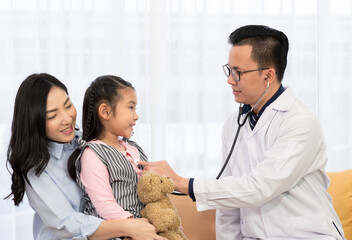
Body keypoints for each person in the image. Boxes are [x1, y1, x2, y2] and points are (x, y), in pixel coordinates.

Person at [140, 25, 345, 239]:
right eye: (229, 70)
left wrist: (182, 183)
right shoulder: (234, 124)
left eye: (238, 72)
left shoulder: (300, 123)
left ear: (268, 75)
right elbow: (230, 207)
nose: (230, 79)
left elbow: (259, 188)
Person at [5, 73, 166, 240]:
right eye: (53, 116)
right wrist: (127, 226)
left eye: (68, 106)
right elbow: (67, 223)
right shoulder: (35, 168)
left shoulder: (90, 144)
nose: (67, 119)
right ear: (35, 123)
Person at [67, 75, 146, 221]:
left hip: (143, 226)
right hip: (118, 230)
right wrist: (137, 228)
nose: (136, 116)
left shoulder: (134, 149)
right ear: (105, 112)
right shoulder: (93, 154)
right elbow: (105, 206)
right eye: (130, 107)